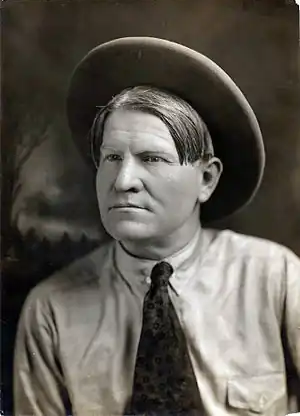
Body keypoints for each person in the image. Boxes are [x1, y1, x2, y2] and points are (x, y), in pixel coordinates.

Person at [14, 37, 300, 416]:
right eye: (112, 157)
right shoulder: (51, 311)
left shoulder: (275, 278)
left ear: (206, 180)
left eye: (152, 158)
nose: (123, 180)